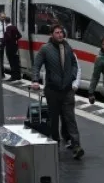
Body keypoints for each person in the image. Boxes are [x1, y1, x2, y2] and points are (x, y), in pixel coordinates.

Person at [31, 25, 84, 159]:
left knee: (70, 118)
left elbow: (74, 64)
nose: (60, 35)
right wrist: (35, 80)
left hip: (67, 90)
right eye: (57, 33)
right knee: (54, 119)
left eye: (61, 32)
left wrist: (72, 78)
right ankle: (55, 142)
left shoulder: (68, 47)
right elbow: (36, 65)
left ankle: (76, 145)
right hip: (52, 90)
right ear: (51, 34)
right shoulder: (45, 49)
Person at [3, 16, 22, 81]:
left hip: (9, 47)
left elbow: (7, 38)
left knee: (11, 62)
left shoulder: (7, 28)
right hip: (15, 46)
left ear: (5, 22)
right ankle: (18, 76)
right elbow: (19, 35)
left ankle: (13, 76)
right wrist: (15, 40)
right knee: (16, 61)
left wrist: (3, 43)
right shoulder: (14, 27)